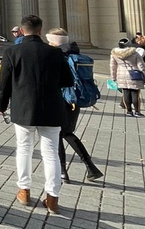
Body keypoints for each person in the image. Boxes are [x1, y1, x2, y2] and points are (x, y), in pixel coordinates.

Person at [0, 14, 73, 215]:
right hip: (52, 109)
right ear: (40, 30)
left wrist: (1, 105)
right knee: (51, 154)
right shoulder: (55, 53)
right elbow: (67, 81)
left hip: (23, 109)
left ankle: (24, 191)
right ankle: (52, 198)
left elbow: (3, 84)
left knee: (24, 149)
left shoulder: (12, 52)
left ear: (22, 31)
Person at [45, 28, 103, 183]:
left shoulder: (56, 55)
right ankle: (91, 167)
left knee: (57, 134)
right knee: (68, 132)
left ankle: (62, 171)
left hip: (60, 98)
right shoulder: (75, 53)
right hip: (74, 99)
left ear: (53, 41)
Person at [111, 37, 145, 117]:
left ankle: (129, 111)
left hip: (121, 75)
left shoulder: (114, 53)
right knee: (135, 93)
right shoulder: (134, 53)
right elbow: (141, 66)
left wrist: (113, 77)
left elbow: (113, 66)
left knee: (126, 93)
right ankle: (137, 111)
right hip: (134, 75)